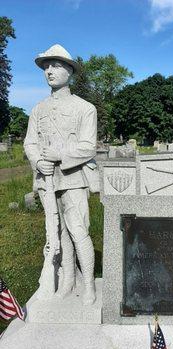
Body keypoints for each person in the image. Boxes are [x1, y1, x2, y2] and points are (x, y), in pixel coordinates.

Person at [24, 44, 97, 305]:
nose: (49, 71)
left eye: (55, 65)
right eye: (46, 67)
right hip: (47, 181)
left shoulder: (85, 108)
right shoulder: (38, 109)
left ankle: (88, 285)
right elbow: (30, 142)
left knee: (78, 231)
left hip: (73, 178)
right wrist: (37, 161)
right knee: (57, 233)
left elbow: (88, 146)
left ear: (69, 70)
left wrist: (57, 155)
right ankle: (68, 280)